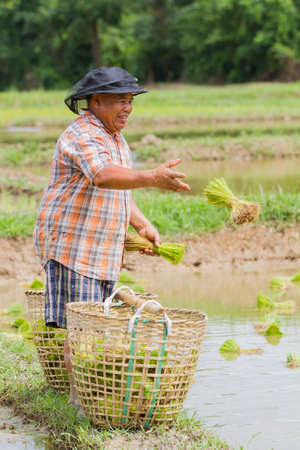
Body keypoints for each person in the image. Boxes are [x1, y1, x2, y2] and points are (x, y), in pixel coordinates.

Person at [34, 66, 190, 404]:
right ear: (96, 100)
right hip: (73, 246)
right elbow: (103, 176)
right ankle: (79, 404)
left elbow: (120, 189)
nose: (128, 108)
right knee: (83, 329)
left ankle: (87, 397)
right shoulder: (83, 134)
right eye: (121, 100)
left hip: (101, 247)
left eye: (131, 100)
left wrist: (141, 223)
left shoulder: (116, 138)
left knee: (95, 325)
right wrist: (152, 176)